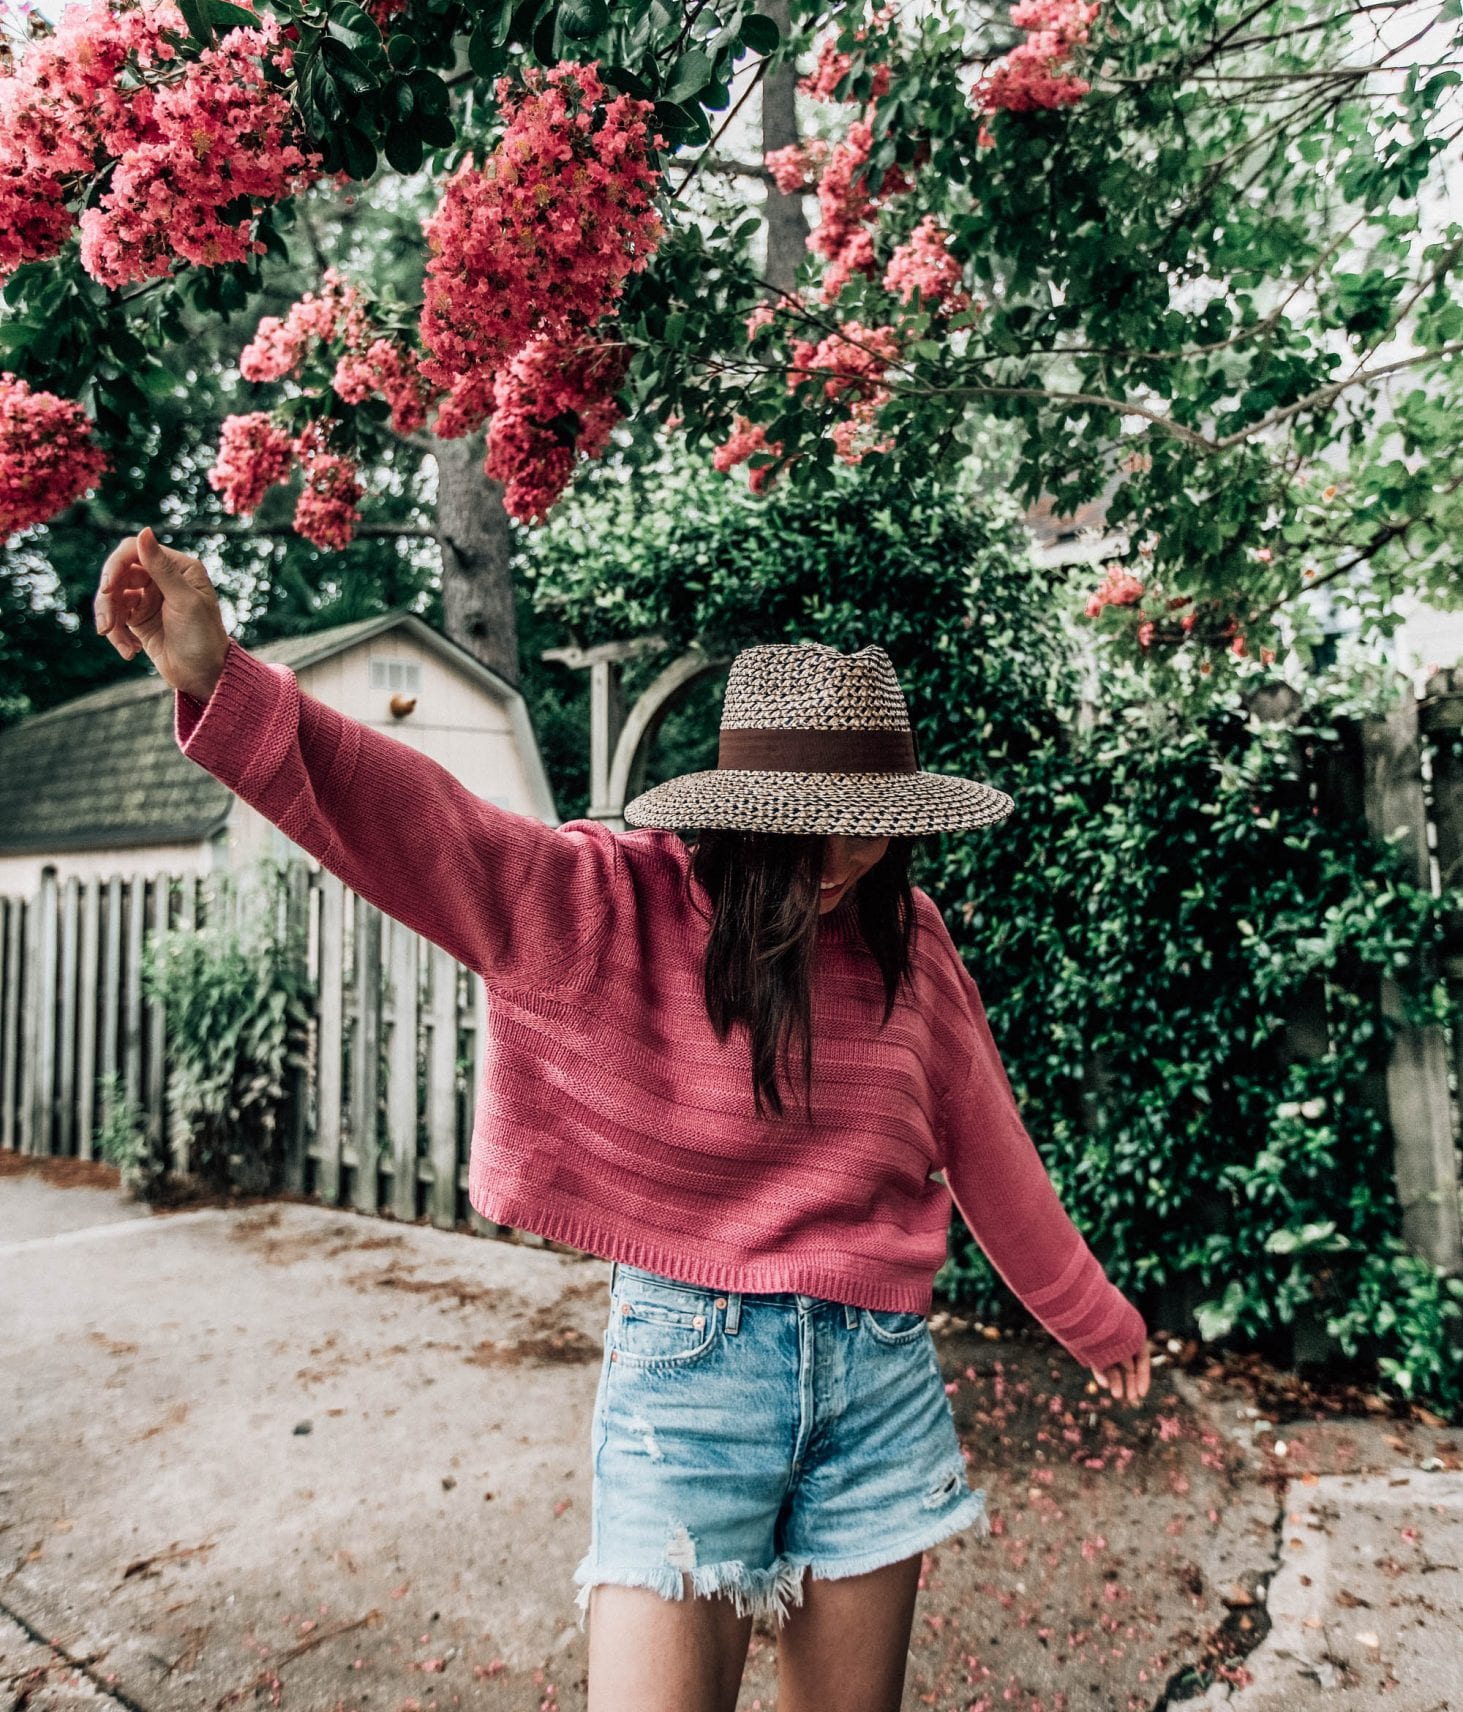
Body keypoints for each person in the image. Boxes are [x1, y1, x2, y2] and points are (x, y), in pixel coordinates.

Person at [94, 524, 1151, 1712]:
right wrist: (223, 682)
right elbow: (420, 817)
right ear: (745, 809)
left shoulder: (913, 945)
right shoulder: (612, 900)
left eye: (875, 815)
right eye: (820, 816)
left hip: (879, 1380)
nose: (851, 852)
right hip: (688, 1379)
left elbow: (985, 1144)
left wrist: (1090, 1315)